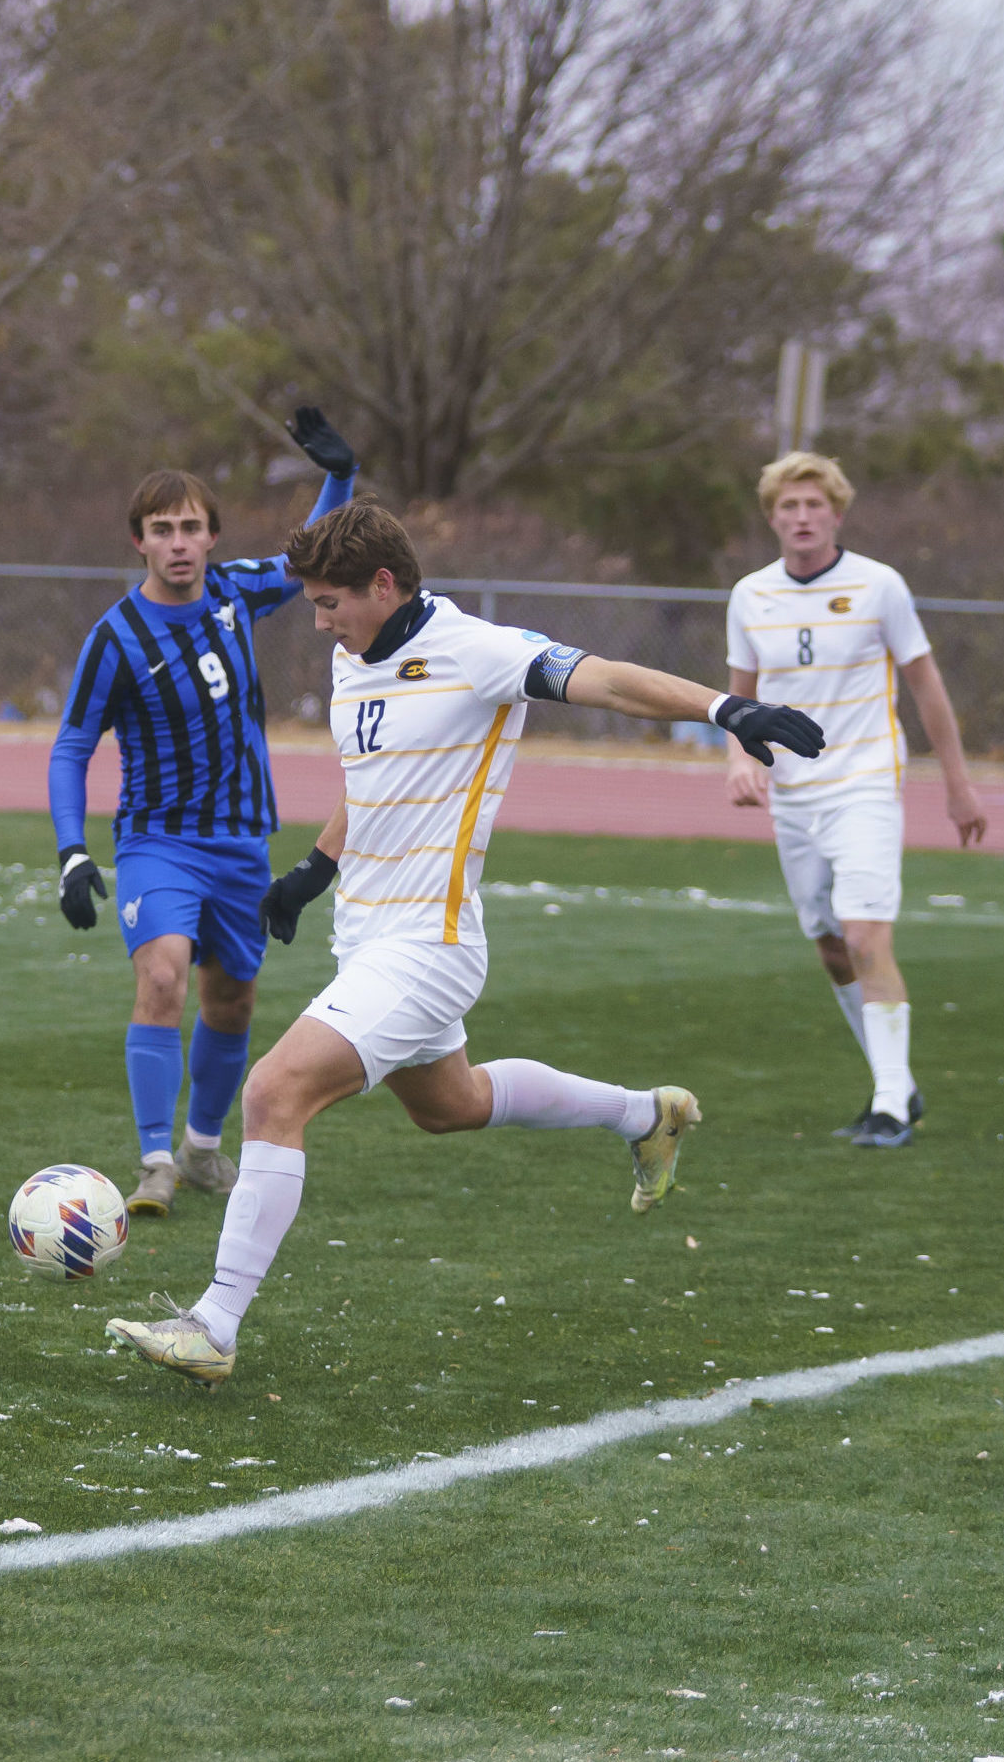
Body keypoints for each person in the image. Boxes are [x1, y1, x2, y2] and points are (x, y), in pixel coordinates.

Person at [106, 502, 826, 1384]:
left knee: (273, 1092)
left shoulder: (477, 650)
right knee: (448, 1103)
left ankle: (213, 1322)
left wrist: (726, 708)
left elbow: (606, 678)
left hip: (427, 945)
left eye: (331, 602)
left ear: (383, 583)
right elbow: (374, 778)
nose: (320, 620)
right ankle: (647, 1114)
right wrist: (313, 870)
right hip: (369, 937)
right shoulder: (352, 659)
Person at [46, 409, 357, 1217]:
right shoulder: (114, 638)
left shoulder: (232, 592)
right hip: (156, 842)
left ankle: (203, 1149)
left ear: (211, 537)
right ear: (139, 543)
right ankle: (154, 1161)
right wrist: (72, 852)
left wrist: (341, 476)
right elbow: (72, 746)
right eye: (162, 528)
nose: (179, 541)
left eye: (191, 526)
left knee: (234, 1001)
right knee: (161, 975)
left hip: (241, 846)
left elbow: (312, 556)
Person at [721, 451, 987, 1147]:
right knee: (832, 947)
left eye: (814, 505)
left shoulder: (879, 586)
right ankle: (895, 1081)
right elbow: (736, 696)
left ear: (836, 514)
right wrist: (736, 760)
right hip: (792, 795)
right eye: (788, 507)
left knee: (866, 932)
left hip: (865, 783)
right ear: (772, 517)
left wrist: (956, 784)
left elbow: (926, 686)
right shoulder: (750, 594)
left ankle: (889, 1108)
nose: (802, 517)